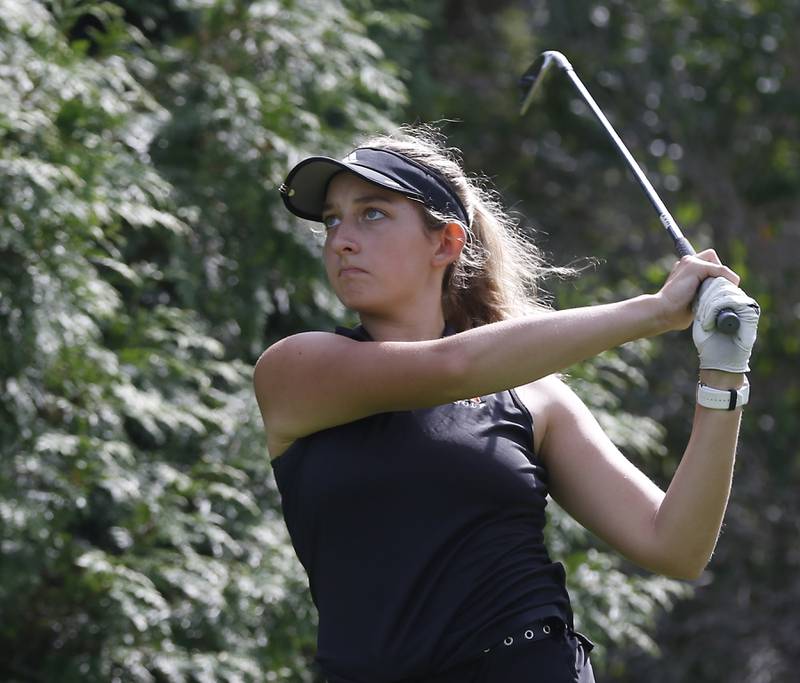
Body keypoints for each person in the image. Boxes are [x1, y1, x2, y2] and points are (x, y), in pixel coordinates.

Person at [253, 125, 760, 683]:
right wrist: (657, 311)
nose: (341, 239)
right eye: (331, 220)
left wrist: (723, 376)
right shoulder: (296, 369)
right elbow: (452, 367)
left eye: (372, 213)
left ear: (445, 243)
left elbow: (676, 546)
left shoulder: (534, 397)